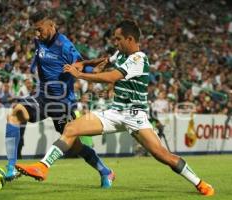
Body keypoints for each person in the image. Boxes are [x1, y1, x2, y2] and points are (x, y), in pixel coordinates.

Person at [15, 20, 214, 196]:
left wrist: (80, 74)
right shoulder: (121, 53)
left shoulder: (138, 59)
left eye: (118, 39)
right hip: (114, 112)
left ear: (130, 39)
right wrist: (83, 63)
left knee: (163, 156)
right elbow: (103, 61)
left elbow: (111, 77)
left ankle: (200, 183)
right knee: (71, 128)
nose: (115, 43)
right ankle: (42, 167)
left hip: (136, 117)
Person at [4, 11, 115, 188]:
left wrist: (94, 67)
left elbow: (80, 65)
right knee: (15, 114)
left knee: (75, 146)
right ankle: (11, 168)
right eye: (35, 30)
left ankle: (105, 171)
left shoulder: (65, 46)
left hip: (63, 102)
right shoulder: (38, 40)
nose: (37, 34)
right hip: (42, 97)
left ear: (51, 25)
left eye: (40, 30)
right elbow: (39, 59)